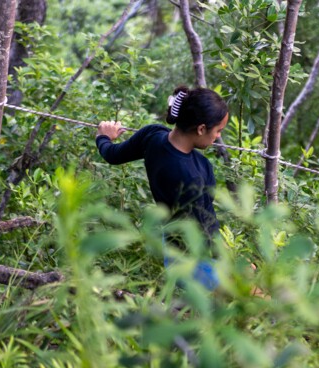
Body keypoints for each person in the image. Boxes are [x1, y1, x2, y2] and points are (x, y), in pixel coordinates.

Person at [95, 85, 229, 291]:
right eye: (218, 131)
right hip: (195, 265)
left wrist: (103, 137)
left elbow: (112, 155)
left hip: (173, 254)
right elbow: (206, 229)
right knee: (256, 295)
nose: (218, 137)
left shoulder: (152, 135)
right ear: (201, 128)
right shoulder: (193, 174)